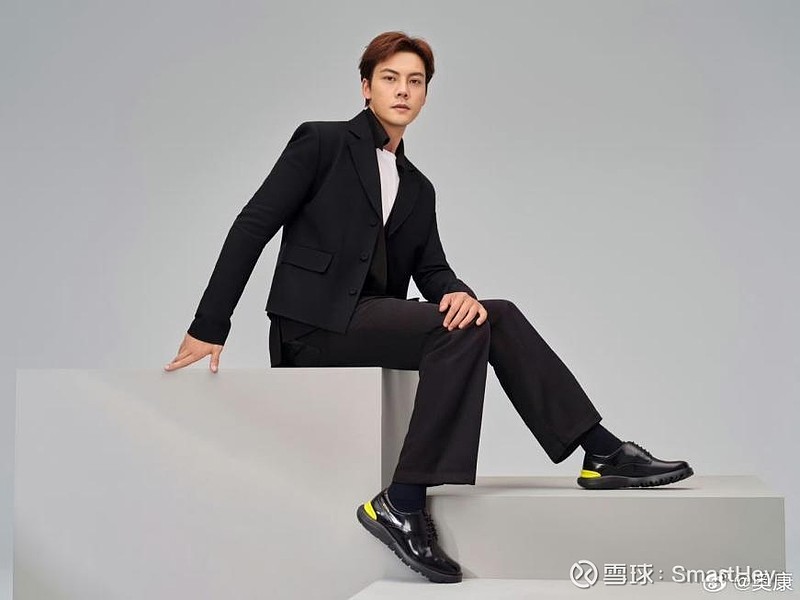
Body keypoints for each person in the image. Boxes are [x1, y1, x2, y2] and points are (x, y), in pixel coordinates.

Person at [164, 31, 694, 584]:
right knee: (462, 330)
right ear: (366, 87)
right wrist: (209, 324)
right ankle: (405, 499)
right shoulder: (321, 142)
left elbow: (433, 270)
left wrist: (458, 291)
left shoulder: (418, 187)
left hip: (371, 321)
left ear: (424, 95)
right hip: (313, 327)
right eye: (390, 78)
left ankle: (598, 451)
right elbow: (253, 224)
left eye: (414, 82)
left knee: (492, 314)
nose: (403, 90)